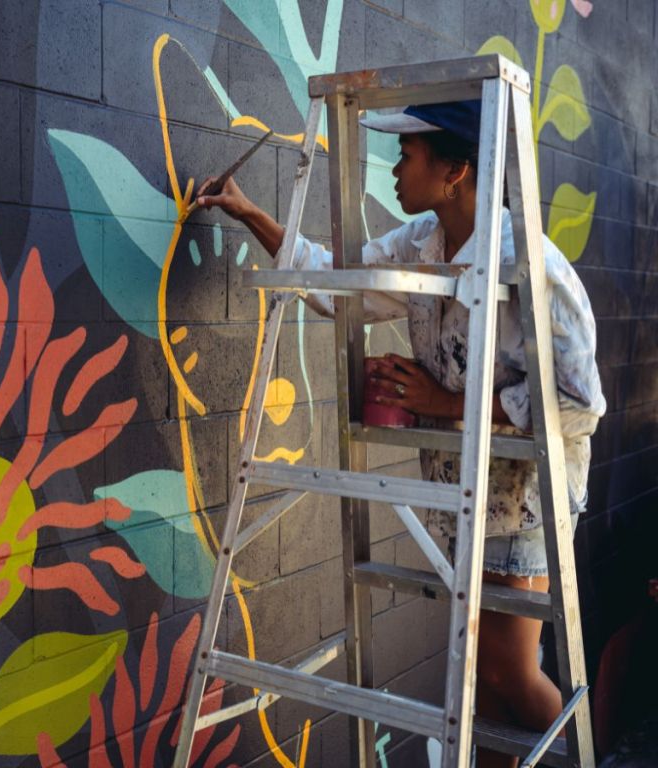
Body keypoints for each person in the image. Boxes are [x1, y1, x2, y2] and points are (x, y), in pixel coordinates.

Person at [196, 100, 606, 768]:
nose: (394, 167)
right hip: (464, 491)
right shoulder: (421, 242)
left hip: (524, 495)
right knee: (484, 686)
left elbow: (578, 401)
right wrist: (249, 214)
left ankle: (585, 758)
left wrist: (444, 399)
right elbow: (337, 284)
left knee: (506, 672)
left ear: (457, 170)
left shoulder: (529, 262)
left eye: (408, 154)